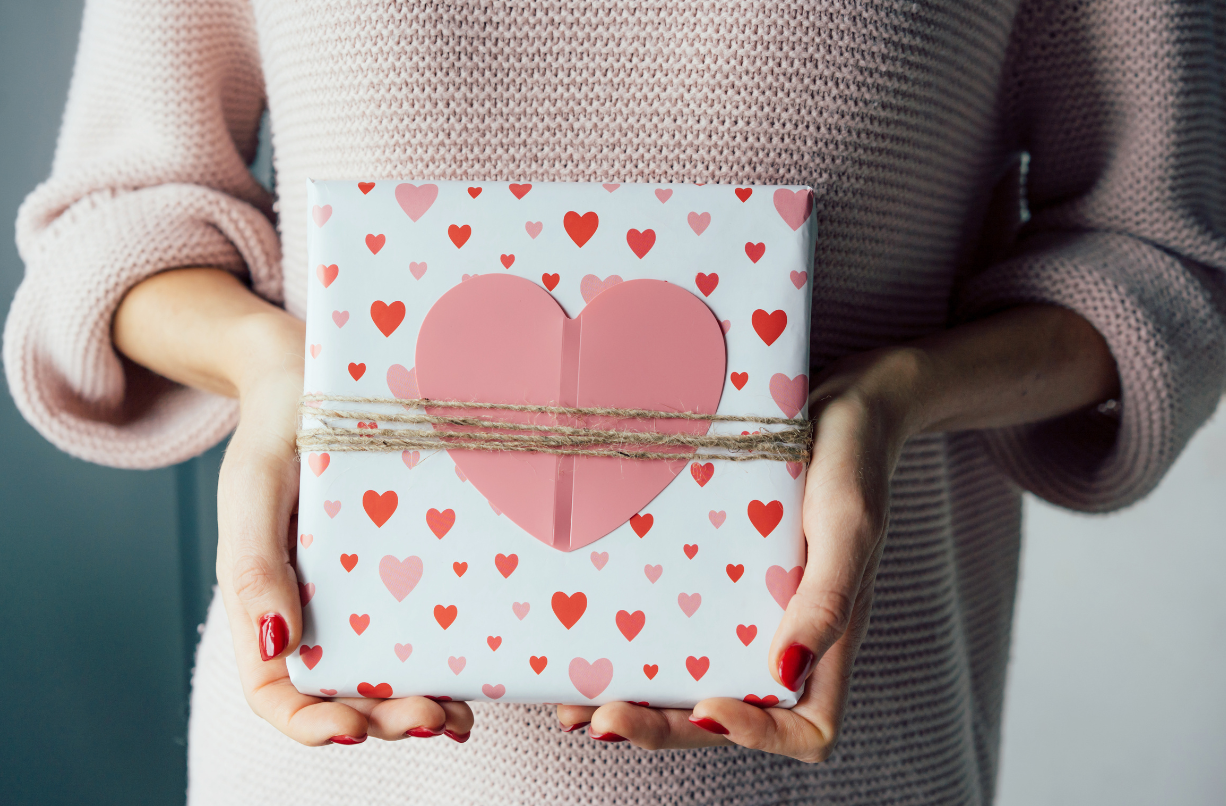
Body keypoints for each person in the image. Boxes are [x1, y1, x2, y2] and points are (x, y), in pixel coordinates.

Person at [6, 0, 1224, 803]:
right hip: (335, 754)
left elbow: (1158, 258)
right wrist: (278, 367)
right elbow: (112, 222)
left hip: (833, 761)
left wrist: (891, 395)